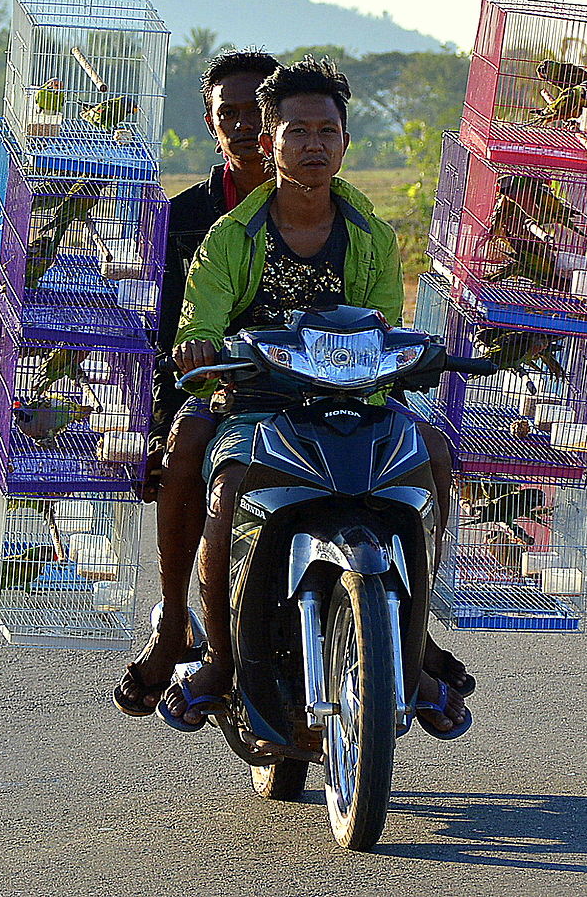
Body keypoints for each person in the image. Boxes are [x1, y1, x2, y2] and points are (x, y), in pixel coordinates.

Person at [160, 57, 472, 737]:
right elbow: (200, 325)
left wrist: (406, 356)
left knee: (436, 455)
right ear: (270, 142)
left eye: (327, 132)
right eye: (296, 131)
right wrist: (201, 349)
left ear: (345, 143)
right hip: (253, 403)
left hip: (354, 405)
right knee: (227, 486)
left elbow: (385, 328)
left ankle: (414, 645)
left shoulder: (373, 236)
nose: (313, 146)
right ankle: (217, 661)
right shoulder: (228, 238)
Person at [113, 50, 281, 717]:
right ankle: (175, 622)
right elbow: (159, 341)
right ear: (211, 125)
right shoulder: (184, 219)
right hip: (215, 390)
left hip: (314, 390)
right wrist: (153, 428)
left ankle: (408, 645)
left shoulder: (330, 210)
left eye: (257, 113)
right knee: (186, 443)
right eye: (228, 115)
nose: (246, 128)